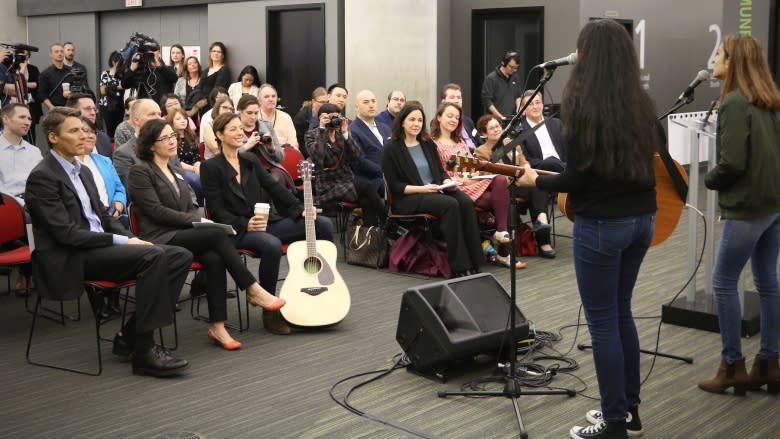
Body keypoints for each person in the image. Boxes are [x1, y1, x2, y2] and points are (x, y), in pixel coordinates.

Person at [517, 20, 658, 439]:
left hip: (602, 226)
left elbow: (577, 180)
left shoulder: (580, 104)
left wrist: (535, 181)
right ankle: (628, 411)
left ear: (587, 56)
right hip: (643, 220)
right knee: (621, 313)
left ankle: (613, 423)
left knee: (602, 323)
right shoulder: (642, 103)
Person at [25, 107, 193, 377]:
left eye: (83, 129)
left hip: (98, 246)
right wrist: (123, 243)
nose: (83, 135)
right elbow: (65, 235)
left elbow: (104, 217)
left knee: (179, 255)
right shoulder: (43, 177)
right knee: (154, 257)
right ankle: (144, 352)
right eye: (74, 131)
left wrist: (131, 238)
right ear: (53, 138)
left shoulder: (83, 171)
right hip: (72, 254)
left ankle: (129, 334)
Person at [127, 119, 286, 347]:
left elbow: (189, 205)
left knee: (215, 257)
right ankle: (252, 288)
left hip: (185, 233)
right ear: (151, 144)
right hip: (161, 236)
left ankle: (218, 327)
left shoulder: (174, 169)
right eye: (165, 138)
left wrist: (196, 219)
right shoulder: (140, 171)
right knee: (215, 234)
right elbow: (156, 211)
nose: (173, 141)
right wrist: (198, 220)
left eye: (173, 136)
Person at [698, 35, 780, 397]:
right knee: (768, 282)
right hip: (773, 206)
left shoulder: (733, 102)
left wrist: (709, 179)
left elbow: (731, 163)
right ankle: (770, 364)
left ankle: (733, 366)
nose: (714, 58)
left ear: (731, 63)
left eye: (719, 53)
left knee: (723, 281)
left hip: (747, 208)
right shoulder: (771, 101)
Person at [201, 112, 334, 334]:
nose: (238, 133)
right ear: (219, 135)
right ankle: (269, 310)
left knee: (323, 224)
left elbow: (276, 189)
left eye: (239, 129)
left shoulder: (250, 160)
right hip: (236, 230)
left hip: (265, 224)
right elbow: (217, 209)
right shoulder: (211, 167)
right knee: (271, 244)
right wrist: (245, 223)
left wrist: (299, 210)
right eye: (232, 129)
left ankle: (323, 286)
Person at [382, 103, 483, 277]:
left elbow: (440, 171)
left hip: (436, 189)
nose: (416, 123)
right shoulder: (391, 148)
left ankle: (476, 260)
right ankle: (459, 266)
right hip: (409, 198)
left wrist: (447, 181)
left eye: (420, 120)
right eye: (412, 119)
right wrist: (422, 188)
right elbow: (395, 186)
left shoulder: (427, 143)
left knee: (465, 201)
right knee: (450, 204)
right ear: (402, 122)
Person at [431, 102, 526, 269]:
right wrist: (463, 179)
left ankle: (500, 232)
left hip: (473, 182)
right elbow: (440, 172)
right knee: (505, 202)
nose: (454, 120)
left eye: (457, 117)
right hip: (456, 187)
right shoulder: (434, 144)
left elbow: (472, 165)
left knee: (501, 180)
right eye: (449, 116)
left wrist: (474, 175)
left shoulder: (459, 141)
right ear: (439, 117)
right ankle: (503, 251)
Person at [475, 114, 554, 259]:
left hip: (520, 182)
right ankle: (540, 240)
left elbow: (525, 163)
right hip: (503, 187)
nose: (496, 130)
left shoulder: (512, 143)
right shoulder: (482, 151)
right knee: (531, 187)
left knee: (537, 184)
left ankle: (542, 226)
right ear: (483, 133)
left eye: (498, 126)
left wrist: (527, 172)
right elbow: (488, 175)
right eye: (491, 128)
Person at [306, 103, 386, 226]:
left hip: (346, 181)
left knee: (367, 200)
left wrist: (345, 133)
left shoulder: (341, 134)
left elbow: (357, 156)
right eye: (331, 117)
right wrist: (322, 129)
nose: (334, 121)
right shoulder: (312, 135)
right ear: (322, 118)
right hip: (328, 186)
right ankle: (388, 223)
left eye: (336, 117)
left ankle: (371, 235)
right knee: (367, 186)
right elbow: (318, 157)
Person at [349, 89, 390, 195]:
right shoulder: (352, 130)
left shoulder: (385, 128)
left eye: (373, 101)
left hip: (389, 178)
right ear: (357, 107)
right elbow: (360, 161)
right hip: (371, 181)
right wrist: (386, 172)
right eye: (366, 102)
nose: (371, 105)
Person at [0, 103, 42, 205]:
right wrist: (22, 204)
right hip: (6, 206)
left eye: (29, 119)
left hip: (37, 203)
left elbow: (43, 181)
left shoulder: (34, 151)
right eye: (22, 117)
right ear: (6, 119)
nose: (27, 122)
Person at [519, 90, 566, 173]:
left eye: (538, 103)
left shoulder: (556, 123)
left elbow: (568, 147)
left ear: (542, 105)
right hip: (541, 168)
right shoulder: (520, 131)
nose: (535, 107)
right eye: (530, 104)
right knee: (551, 161)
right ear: (524, 109)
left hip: (561, 163)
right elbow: (527, 159)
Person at [167, 108, 203, 206]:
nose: (183, 121)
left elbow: (197, 157)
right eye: (178, 119)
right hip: (178, 169)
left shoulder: (191, 136)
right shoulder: (171, 139)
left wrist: (198, 166)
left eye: (184, 118)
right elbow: (175, 161)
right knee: (195, 180)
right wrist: (194, 168)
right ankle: (200, 206)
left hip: (194, 167)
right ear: (171, 122)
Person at [66, 92, 112, 157]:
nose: (93, 113)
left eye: (94, 109)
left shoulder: (103, 138)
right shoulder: (66, 140)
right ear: (73, 111)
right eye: (87, 109)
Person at [481, 50, 523, 120]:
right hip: (495, 119)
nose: (514, 70)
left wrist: (519, 110)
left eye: (516, 68)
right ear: (504, 63)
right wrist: (499, 116)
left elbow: (518, 96)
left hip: (511, 119)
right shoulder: (491, 78)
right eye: (511, 67)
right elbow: (487, 101)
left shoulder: (515, 78)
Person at [440, 83, 482, 150]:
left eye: (459, 97)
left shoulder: (468, 121)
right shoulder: (441, 122)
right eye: (452, 97)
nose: (457, 101)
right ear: (443, 102)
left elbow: (479, 140)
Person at [38, 43, 73, 109]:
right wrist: (52, 108)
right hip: (55, 108)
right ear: (51, 54)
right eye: (56, 52)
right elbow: (42, 94)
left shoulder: (71, 71)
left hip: (71, 107)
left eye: (61, 51)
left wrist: (71, 94)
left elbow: (78, 89)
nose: (60, 54)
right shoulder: (45, 74)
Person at [293, 86, 327, 155]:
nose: (325, 105)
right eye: (322, 102)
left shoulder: (329, 113)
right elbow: (299, 142)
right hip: (308, 154)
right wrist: (313, 155)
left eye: (327, 102)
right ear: (313, 101)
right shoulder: (301, 117)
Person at [99, 51, 125, 139]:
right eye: (120, 62)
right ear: (114, 62)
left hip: (119, 104)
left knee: (119, 129)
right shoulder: (105, 73)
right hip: (107, 105)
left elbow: (124, 86)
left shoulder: (122, 74)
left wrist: (109, 87)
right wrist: (116, 87)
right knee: (109, 130)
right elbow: (102, 91)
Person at [199, 42, 232, 108]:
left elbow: (217, 91)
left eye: (219, 52)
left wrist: (204, 101)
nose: (216, 53)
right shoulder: (206, 70)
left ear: (223, 55)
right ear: (210, 53)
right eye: (213, 51)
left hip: (213, 105)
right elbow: (199, 87)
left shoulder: (224, 70)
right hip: (201, 103)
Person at [202, 95, 234, 160]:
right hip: (214, 162)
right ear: (217, 108)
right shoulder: (209, 125)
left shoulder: (234, 125)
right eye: (225, 107)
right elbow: (215, 149)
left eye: (231, 109)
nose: (228, 111)